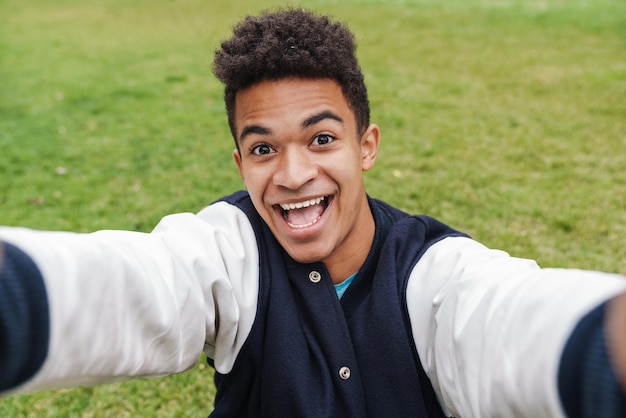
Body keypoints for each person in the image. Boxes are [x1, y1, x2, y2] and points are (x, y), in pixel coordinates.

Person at [0, 8, 625, 417]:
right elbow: (133, 285)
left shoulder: (433, 273)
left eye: (322, 139)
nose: (293, 174)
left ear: (367, 146)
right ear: (240, 163)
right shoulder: (229, 252)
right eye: (263, 148)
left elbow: (506, 323)